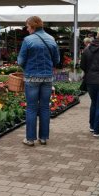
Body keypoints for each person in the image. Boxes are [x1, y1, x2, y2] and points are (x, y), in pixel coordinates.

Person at [17, 16, 60, 146]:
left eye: (28, 26)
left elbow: (20, 61)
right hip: (47, 77)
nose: (27, 29)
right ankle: (43, 138)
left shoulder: (28, 40)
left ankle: (30, 139)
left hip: (32, 77)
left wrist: (26, 68)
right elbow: (57, 60)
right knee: (45, 107)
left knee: (31, 108)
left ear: (33, 26)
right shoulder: (51, 39)